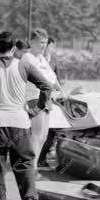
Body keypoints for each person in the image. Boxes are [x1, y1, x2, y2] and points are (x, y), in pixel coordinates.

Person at [0, 31, 53, 200]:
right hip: (20, 122)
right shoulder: (23, 65)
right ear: (14, 48)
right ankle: (30, 199)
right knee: (24, 162)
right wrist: (37, 110)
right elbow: (47, 86)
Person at [22, 29, 62, 169]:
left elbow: (53, 78)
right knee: (36, 135)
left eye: (45, 42)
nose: (43, 45)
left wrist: (62, 91)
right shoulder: (28, 58)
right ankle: (31, 167)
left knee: (44, 136)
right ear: (31, 42)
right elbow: (42, 80)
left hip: (46, 98)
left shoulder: (42, 58)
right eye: (40, 42)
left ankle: (33, 166)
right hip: (34, 98)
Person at [37, 37, 61, 168]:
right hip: (38, 99)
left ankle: (41, 159)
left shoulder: (54, 60)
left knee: (49, 133)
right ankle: (36, 160)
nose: (47, 48)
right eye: (45, 45)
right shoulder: (37, 59)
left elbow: (57, 78)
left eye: (49, 45)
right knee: (39, 132)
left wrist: (60, 92)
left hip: (51, 100)